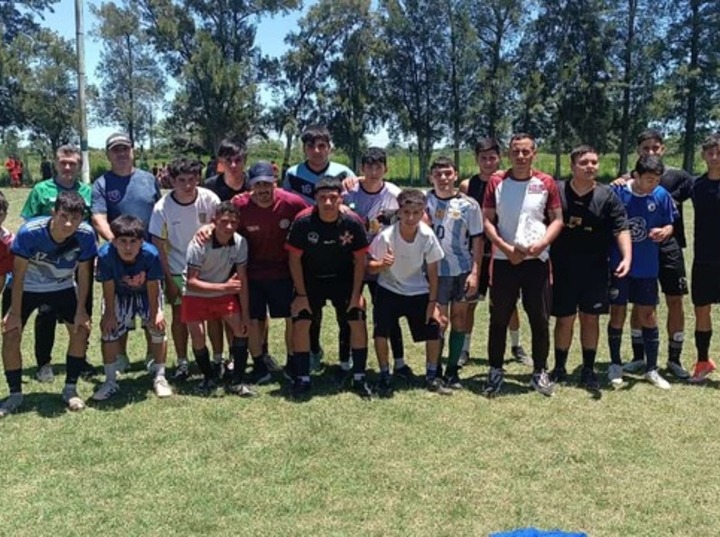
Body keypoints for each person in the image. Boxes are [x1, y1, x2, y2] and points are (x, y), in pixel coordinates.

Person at [0, 192, 97, 417]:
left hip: (62, 286)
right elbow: (19, 273)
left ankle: (71, 389)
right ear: (54, 212)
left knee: (80, 330)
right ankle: (15, 394)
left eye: (75, 218)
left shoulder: (85, 234)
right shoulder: (31, 232)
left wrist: (82, 310)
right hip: (26, 287)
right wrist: (14, 312)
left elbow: (84, 274)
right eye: (63, 216)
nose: (68, 223)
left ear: (82, 218)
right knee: (11, 333)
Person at [482, 133, 563, 397]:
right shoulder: (497, 181)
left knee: (539, 318)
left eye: (525, 152)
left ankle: (540, 371)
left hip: (536, 262)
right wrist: (505, 248)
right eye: (515, 151)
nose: (520, 156)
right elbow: (487, 221)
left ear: (534, 153)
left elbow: (557, 219)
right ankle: (495, 370)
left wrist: (540, 246)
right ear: (508, 154)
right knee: (499, 319)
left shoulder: (545, 182)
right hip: (505, 261)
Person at [549, 145, 631, 391]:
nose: (590, 166)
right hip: (562, 267)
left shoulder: (607, 196)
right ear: (572, 166)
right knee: (564, 320)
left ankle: (587, 370)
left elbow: (621, 228)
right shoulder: (557, 191)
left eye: (594, 162)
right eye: (584, 162)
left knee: (590, 319)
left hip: (595, 269)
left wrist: (627, 257)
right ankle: (559, 367)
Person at [285, 176, 371, 400]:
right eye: (322, 197)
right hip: (311, 278)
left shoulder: (353, 222)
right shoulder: (303, 222)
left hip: (343, 278)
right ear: (315, 199)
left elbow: (360, 260)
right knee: (301, 319)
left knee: (356, 317)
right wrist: (301, 295)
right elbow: (294, 259)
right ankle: (303, 377)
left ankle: (359, 376)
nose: (328, 202)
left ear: (340, 199)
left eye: (333, 197)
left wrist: (356, 295)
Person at [620, 130, 692, 379]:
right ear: (638, 150)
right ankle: (639, 357)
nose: (651, 152)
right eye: (646, 148)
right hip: (640, 248)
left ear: (663, 149)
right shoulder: (628, 180)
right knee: (640, 302)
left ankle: (674, 359)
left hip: (669, 247)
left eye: (655, 147)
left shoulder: (680, 177)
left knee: (675, 300)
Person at [283, 124, 356, 369]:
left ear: (329, 147)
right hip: (308, 250)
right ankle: (313, 350)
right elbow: (286, 205)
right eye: (311, 145)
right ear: (304, 148)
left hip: (338, 250)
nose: (316, 150)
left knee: (344, 310)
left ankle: (347, 356)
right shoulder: (293, 173)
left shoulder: (344, 172)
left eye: (322, 145)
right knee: (311, 311)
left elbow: (353, 207)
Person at [20, 144, 94, 383]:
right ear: (56, 163)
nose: (68, 167)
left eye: (73, 163)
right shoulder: (41, 189)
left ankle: (79, 359)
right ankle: (44, 363)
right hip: (44, 266)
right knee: (47, 312)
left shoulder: (87, 191)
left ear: (78, 165)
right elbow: (28, 225)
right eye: (63, 162)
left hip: (77, 260)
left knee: (82, 311)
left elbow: (90, 223)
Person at [231, 161, 309, 383]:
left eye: (267, 184)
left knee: (291, 318)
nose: (263, 190)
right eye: (258, 185)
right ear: (250, 187)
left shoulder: (292, 202)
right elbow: (222, 222)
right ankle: (258, 364)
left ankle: (293, 361)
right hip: (252, 273)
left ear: (275, 183)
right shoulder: (240, 205)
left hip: (284, 272)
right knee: (253, 320)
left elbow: (312, 217)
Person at [368, 188, 449, 396]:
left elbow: (433, 271)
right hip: (389, 289)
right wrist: (381, 264)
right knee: (381, 331)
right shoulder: (386, 236)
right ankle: (385, 375)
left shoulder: (427, 235)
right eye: (406, 212)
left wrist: (433, 304)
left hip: (418, 290)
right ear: (399, 212)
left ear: (423, 212)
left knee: (434, 326)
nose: (411, 217)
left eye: (417, 212)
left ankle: (431, 375)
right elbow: (369, 266)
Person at [92, 133, 162, 372]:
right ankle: (120, 355)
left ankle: (153, 356)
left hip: (147, 257)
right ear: (108, 154)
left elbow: (160, 212)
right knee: (120, 308)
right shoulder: (102, 183)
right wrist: (119, 244)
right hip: (119, 258)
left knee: (150, 305)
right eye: (115, 150)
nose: (121, 154)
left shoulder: (149, 179)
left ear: (133, 151)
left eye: (125, 149)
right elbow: (98, 216)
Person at [607, 156, 676, 389]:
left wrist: (665, 231)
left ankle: (651, 368)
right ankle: (615, 364)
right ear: (635, 176)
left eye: (657, 179)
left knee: (648, 314)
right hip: (619, 264)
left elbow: (670, 223)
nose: (653, 184)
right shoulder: (617, 192)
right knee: (617, 313)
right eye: (648, 179)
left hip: (647, 265)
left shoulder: (661, 195)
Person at [149, 157, 220, 382]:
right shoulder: (162, 207)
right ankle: (182, 362)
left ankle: (217, 360)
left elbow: (225, 222)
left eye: (192, 179)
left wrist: (212, 225)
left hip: (211, 269)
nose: (187, 185)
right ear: (171, 180)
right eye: (182, 180)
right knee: (181, 316)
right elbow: (158, 246)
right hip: (179, 270)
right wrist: (168, 281)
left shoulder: (210, 199)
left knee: (214, 315)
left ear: (198, 178)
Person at [459, 138, 530, 366]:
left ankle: (517, 346)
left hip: (504, 252)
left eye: (492, 158)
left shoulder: (508, 180)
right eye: (483, 158)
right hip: (476, 253)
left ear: (500, 157)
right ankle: (464, 349)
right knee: (469, 303)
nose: (488, 162)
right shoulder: (466, 186)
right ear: (476, 159)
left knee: (508, 305)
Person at [342, 148, 410, 381]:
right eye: (368, 167)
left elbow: (409, 218)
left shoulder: (394, 193)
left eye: (378, 167)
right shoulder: (349, 192)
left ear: (386, 169)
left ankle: (399, 363)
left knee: (387, 314)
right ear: (362, 169)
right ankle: (346, 362)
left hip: (383, 261)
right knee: (351, 311)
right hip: (353, 261)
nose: (373, 171)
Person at [93, 215, 172, 401]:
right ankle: (110, 380)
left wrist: (156, 312)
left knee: (157, 327)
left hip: (146, 292)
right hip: (119, 293)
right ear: (114, 240)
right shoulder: (105, 254)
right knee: (109, 330)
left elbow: (153, 284)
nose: (128, 247)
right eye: (123, 241)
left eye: (133, 242)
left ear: (141, 241)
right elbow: (108, 285)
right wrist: (110, 314)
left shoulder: (150, 254)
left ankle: (160, 377)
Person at [182, 202, 253, 396]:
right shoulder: (199, 243)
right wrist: (224, 287)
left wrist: (246, 313)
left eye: (233, 222)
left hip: (223, 292)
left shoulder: (239, 242)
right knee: (197, 336)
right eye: (224, 222)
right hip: (196, 294)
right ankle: (208, 377)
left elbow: (242, 280)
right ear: (214, 222)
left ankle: (237, 381)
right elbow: (191, 282)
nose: (229, 227)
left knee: (241, 329)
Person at [426, 156, 483, 389]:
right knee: (439, 321)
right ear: (431, 177)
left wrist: (475, 273)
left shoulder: (469, 205)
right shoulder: (424, 200)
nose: (443, 178)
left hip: (461, 270)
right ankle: (434, 369)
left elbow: (478, 240)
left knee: (460, 318)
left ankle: (452, 371)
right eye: (438, 174)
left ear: (456, 175)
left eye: (448, 173)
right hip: (435, 272)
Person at [688, 134, 720, 382]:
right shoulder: (696, 186)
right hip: (704, 260)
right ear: (703, 156)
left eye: (718, 152)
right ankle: (702, 361)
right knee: (701, 311)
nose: (715, 157)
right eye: (710, 152)